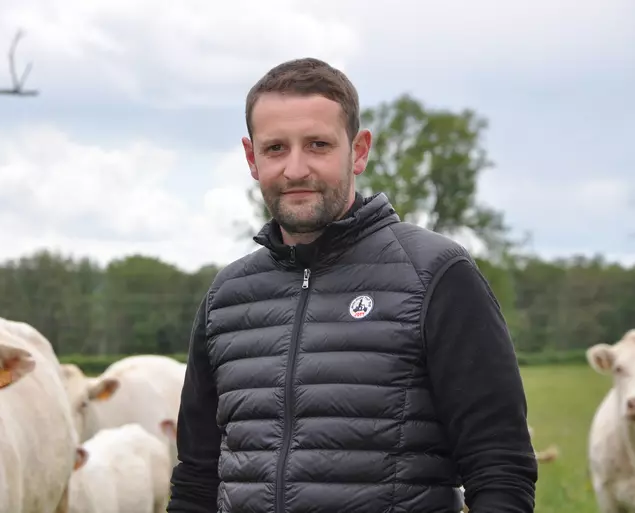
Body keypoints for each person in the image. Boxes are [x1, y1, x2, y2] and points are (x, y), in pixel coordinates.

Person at [166, 57, 538, 513]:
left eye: (318, 145)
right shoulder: (226, 298)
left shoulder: (437, 276)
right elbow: (196, 480)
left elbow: (500, 469)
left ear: (358, 151)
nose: (296, 168)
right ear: (251, 158)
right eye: (276, 148)